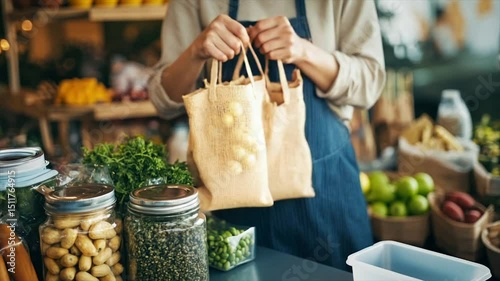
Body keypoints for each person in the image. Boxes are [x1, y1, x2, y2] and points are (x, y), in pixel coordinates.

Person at [148, 0, 385, 271]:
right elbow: (163, 102)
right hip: (233, 199)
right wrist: (195, 53)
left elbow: (371, 84)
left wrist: (303, 52)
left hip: (327, 189)